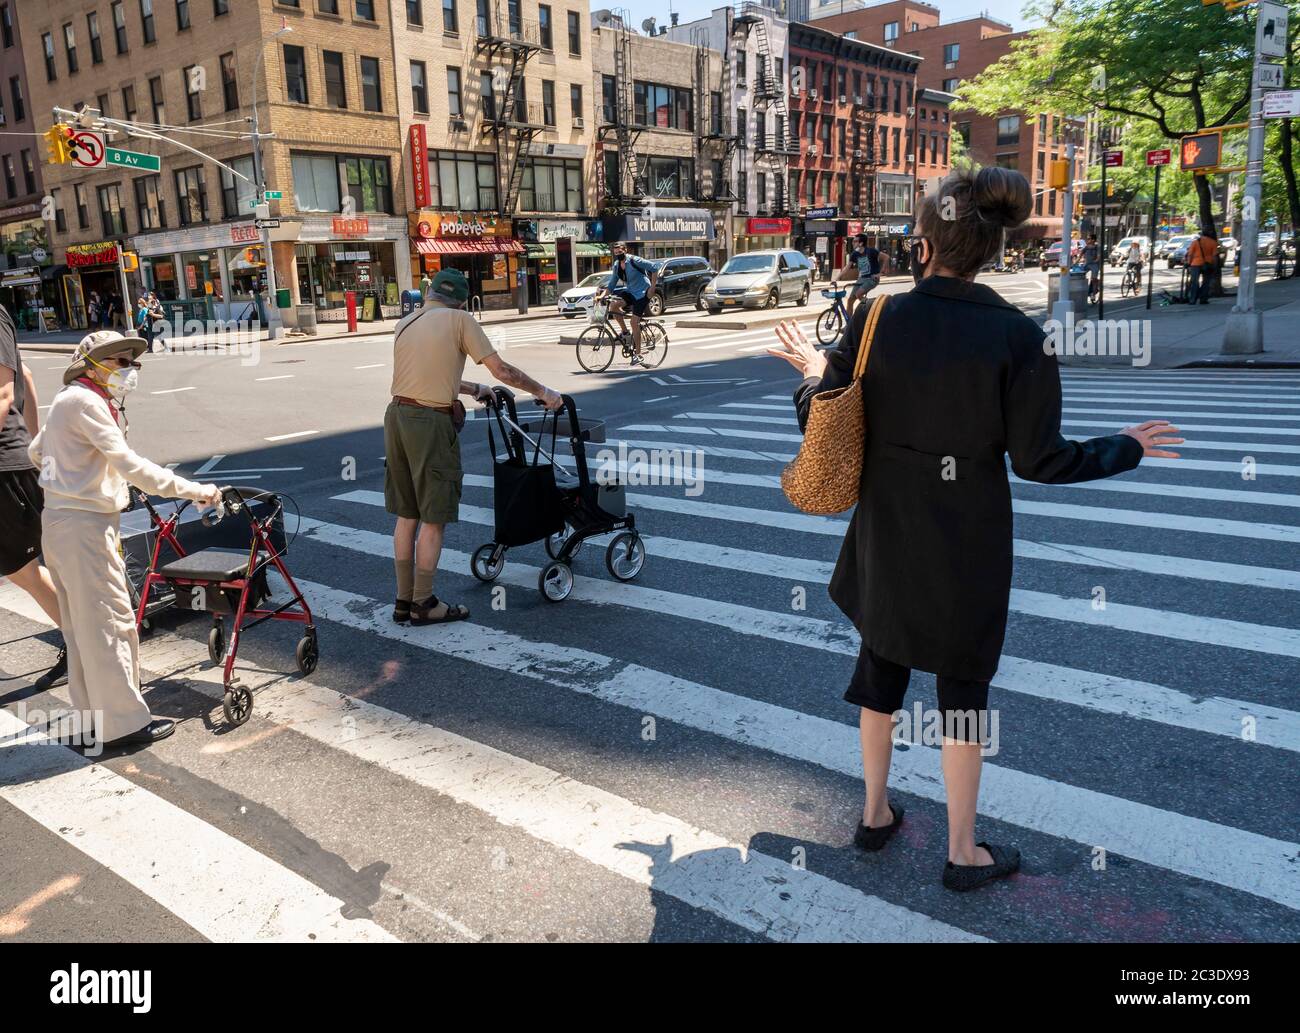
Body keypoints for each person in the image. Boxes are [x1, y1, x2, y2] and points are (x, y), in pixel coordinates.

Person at [768, 166, 1183, 892]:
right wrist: (1126, 445)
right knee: (962, 690)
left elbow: (825, 415)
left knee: (880, 665)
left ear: (925, 238)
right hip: (968, 542)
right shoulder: (1019, 336)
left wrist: (811, 369)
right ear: (991, 247)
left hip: (887, 529)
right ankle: (962, 850)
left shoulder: (876, 316)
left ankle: (872, 814)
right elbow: (1041, 460)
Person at [28, 331, 221, 749]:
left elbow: (35, 451)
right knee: (110, 624)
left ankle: (92, 717)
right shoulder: (85, 402)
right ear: (91, 365)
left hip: (64, 523)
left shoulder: (69, 401)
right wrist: (195, 490)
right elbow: (132, 465)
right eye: (119, 362)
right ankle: (124, 724)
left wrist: (73, 477)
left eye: (132, 362)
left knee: (83, 628)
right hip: (85, 527)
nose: (129, 370)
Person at [386, 268, 562, 626]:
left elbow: (429, 373)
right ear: (463, 301)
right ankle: (424, 603)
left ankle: (403, 601)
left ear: (430, 293)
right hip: (429, 424)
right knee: (434, 516)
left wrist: (470, 389)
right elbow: (503, 372)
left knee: (408, 515)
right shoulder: (461, 320)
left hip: (397, 415)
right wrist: (544, 392)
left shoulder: (404, 323)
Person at [0, 303, 67, 691]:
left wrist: (33, 453)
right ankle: (84, 644)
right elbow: (24, 374)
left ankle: (90, 645)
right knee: (23, 571)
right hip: (15, 462)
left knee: (27, 569)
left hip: (5, 468)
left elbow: (6, 391)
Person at [595, 242, 658, 365]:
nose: (618, 254)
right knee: (614, 305)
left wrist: (652, 288)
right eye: (616, 252)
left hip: (643, 292)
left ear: (625, 250)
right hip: (631, 291)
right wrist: (602, 296)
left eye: (620, 251)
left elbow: (654, 267)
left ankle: (638, 354)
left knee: (634, 322)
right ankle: (625, 333)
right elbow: (612, 284)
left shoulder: (635, 260)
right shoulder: (617, 265)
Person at [840, 234, 886, 320]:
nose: (853, 243)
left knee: (858, 294)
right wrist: (836, 278)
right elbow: (847, 267)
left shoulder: (871, 251)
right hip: (861, 279)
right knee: (850, 301)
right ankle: (849, 324)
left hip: (872, 279)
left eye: (855, 241)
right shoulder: (855, 254)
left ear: (861, 243)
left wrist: (880, 273)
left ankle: (871, 308)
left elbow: (886, 257)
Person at [1186, 227, 1217, 305]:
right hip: (1207, 264)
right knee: (1206, 282)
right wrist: (1214, 265)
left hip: (1195, 264)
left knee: (1194, 282)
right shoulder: (1213, 242)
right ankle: (1203, 299)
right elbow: (1214, 256)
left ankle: (1193, 299)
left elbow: (1190, 254)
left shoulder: (1195, 242)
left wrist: (1188, 263)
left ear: (1202, 234)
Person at [1081, 234, 1101, 300]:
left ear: (1093, 240)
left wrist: (1096, 260)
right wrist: (1074, 263)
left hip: (1094, 265)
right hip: (1087, 264)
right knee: (1080, 274)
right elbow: (1080, 255)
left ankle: (1093, 293)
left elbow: (1098, 256)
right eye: (1087, 239)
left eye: (1089, 239)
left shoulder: (1097, 247)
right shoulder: (1086, 247)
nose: (1088, 240)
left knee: (1094, 279)